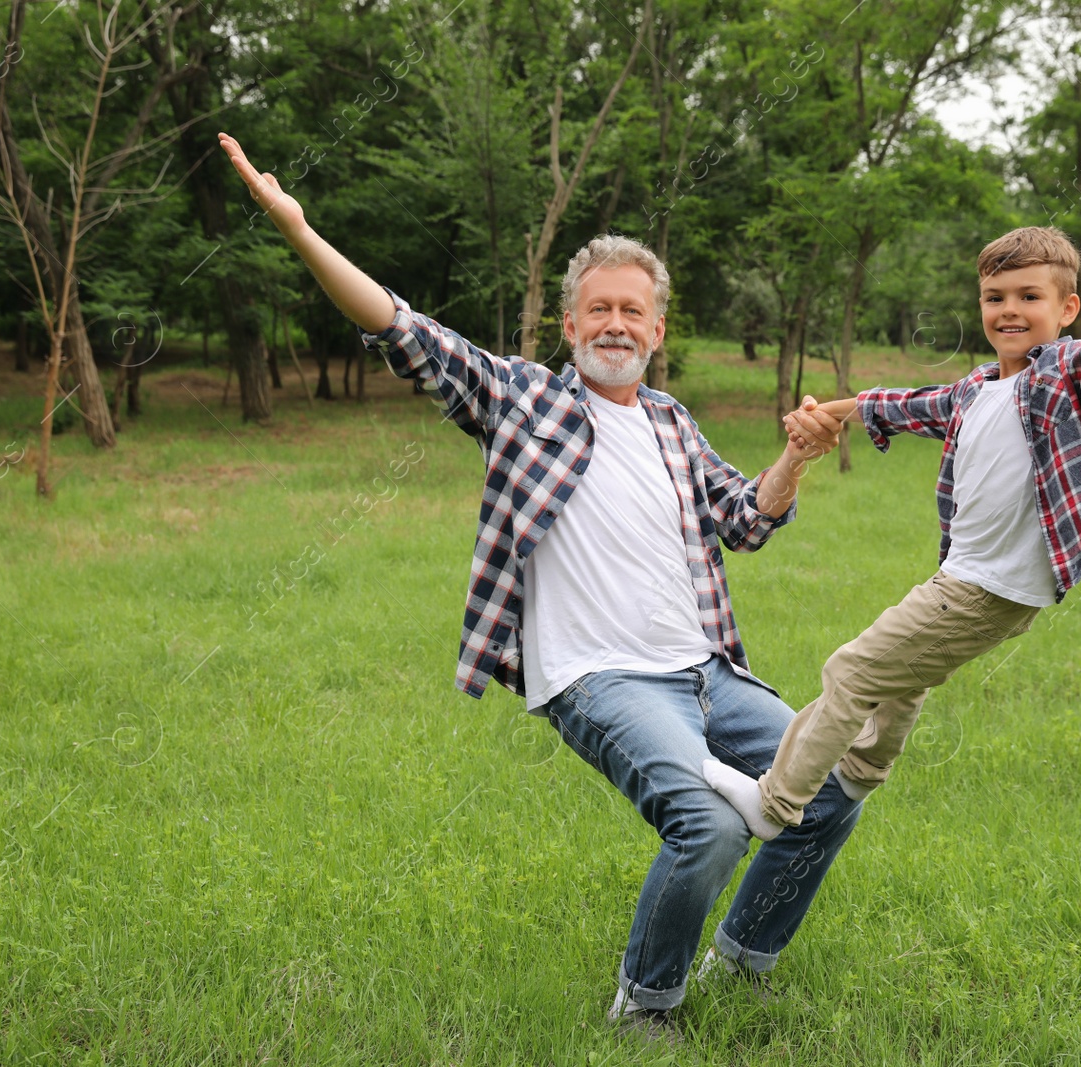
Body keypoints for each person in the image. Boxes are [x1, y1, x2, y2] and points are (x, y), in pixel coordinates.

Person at [218, 132, 863, 1037]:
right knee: (710, 827)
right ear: (570, 324)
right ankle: (647, 1006)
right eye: (598, 309)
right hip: (601, 677)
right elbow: (400, 327)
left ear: (657, 329)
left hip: (705, 669)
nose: (615, 325)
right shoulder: (523, 399)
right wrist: (297, 227)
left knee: (832, 783)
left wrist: (793, 458)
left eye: (632, 312)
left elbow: (747, 519)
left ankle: (746, 953)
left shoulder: (675, 424)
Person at [704, 225, 1081, 840]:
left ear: (1067, 309)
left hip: (991, 585)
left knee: (851, 673)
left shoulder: (1060, 373)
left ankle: (774, 806)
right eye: (995, 297)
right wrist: (833, 412)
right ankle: (860, 770)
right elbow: (907, 403)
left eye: (1028, 296)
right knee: (907, 673)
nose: (1009, 309)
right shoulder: (976, 388)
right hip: (968, 575)